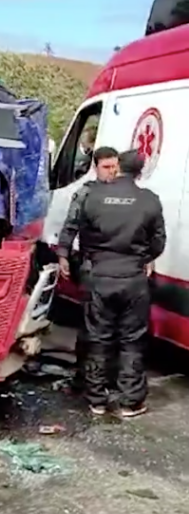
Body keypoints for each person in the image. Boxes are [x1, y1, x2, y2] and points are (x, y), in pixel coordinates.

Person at [59, 149, 166, 418]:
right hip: (133, 279)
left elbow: (78, 231)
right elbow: (158, 242)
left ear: (118, 168)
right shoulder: (149, 201)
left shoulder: (91, 197)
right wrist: (142, 257)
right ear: (140, 171)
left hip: (99, 276)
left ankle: (96, 399)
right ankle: (130, 401)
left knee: (97, 338)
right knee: (132, 340)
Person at [58, 146, 120, 390]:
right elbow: (70, 225)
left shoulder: (125, 194)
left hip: (117, 270)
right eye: (107, 167)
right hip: (91, 268)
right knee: (89, 326)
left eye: (115, 166)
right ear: (96, 167)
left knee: (114, 326)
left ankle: (109, 376)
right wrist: (63, 255)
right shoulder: (85, 194)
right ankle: (84, 375)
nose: (112, 171)